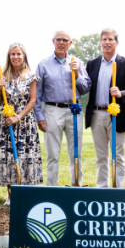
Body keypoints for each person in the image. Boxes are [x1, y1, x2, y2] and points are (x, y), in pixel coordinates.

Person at [0, 43, 43, 204]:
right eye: (13, 54)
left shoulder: (31, 76)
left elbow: (33, 101)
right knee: (9, 156)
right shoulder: (3, 76)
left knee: (25, 156)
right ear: (9, 57)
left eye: (19, 54)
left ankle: (25, 194)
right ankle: (11, 195)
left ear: (24, 56)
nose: (16, 57)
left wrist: (18, 117)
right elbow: (0, 102)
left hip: (25, 121)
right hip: (7, 122)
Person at [35, 30, 91, 186]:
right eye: (59, 39)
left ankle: (76, 185)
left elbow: (86, 87)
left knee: (76, 152)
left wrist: (77, 74)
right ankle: (52, 188)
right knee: (53, 153)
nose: (61, 42)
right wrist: (39, 116)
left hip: (74, 110)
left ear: (70, 43)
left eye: (65, 40)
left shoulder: (77, 62)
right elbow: (37, 93)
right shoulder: (43, 64)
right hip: (52, 110)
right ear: (53, 41)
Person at [84, 28, 125, 188]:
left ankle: (118, 188)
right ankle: (102, 187)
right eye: (104, 39)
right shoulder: (92, 64)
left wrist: (121, 93)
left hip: (117, 115)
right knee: (101, 156)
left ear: (117, 42)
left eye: (110, 39)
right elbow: (86, 86)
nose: (107, 42)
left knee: (118, 155)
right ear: (100, 42)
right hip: (96, 114)